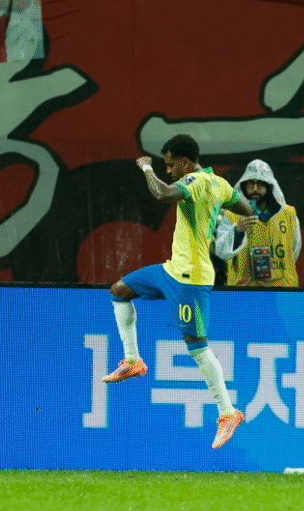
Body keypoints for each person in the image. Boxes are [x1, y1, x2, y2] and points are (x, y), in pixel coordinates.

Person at [103, 134, 254, 449]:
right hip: (171, 269)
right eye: (164, 166)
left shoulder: (196, 181)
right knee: (120, 290)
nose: (168, 170)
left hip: (191, 279)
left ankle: (228, 412)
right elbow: (244, 205)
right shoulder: (220, 183)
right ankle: (133, 360)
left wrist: (146, 169)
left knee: (197, 348)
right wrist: (232, 223)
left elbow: (162, 194)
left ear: (186, 162)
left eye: (171, 164)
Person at [214, 159, 302, 287]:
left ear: (269, 186)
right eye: (250, 184)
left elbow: (294, 251)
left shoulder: (288, 214)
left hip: (281, 289)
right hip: (244, 290)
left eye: (260, 184)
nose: (255, 189)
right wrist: (237, 231)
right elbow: (222, 252)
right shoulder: (232, 216)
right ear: (243, 186)